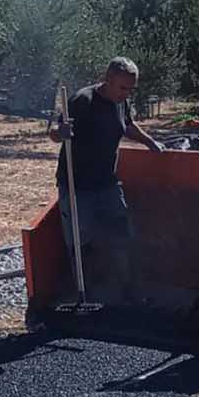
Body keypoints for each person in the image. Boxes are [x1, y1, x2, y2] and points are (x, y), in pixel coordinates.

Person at [48, 57, 164, 300]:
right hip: (78, 185)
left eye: (132, 89)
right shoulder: (83, 101)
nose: (127, 93)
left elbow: (128, 126)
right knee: (82, 242)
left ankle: (126, 290)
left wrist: (150, 142)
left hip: (107, 183)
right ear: (108, 80)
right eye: (123, 88)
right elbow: (54, 133)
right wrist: (62, 132)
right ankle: (83, 294)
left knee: (122, 233)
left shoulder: (121, 102)